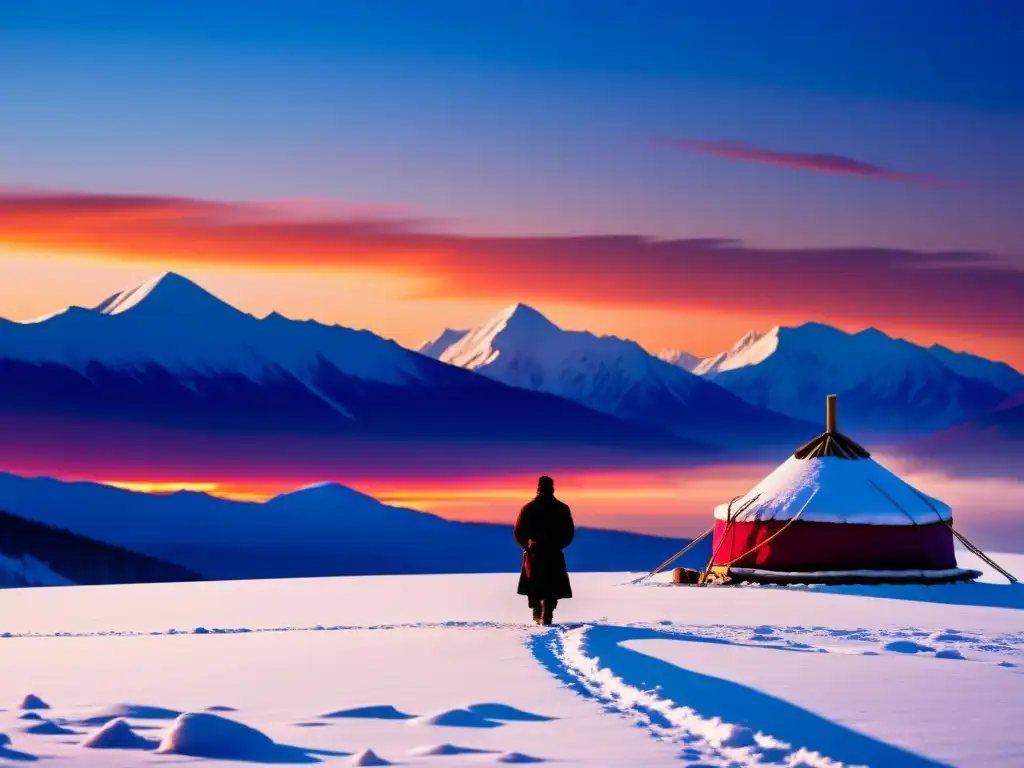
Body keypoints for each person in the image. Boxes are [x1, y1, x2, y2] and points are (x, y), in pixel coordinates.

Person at [514, 475, 575, 625]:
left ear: (538, 489)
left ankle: (537, 612)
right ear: (552, 488)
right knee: (552, 585)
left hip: (535, 552)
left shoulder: (528, 508)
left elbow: (518, 531)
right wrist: (559, 545)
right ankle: (547, 613)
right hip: (554, 552)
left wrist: (526, 547)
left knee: (535, 584)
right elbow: (569, 532)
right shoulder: (562, 508)